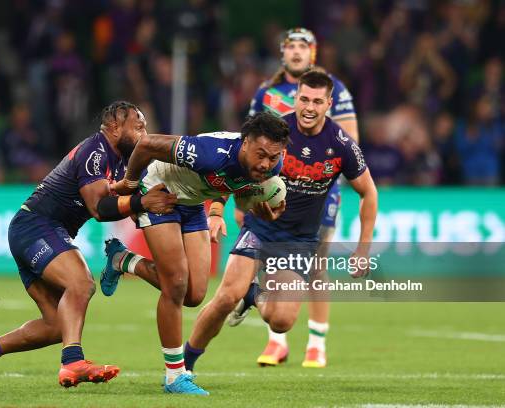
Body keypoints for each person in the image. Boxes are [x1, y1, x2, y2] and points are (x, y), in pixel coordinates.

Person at [0, 101, 177, 390]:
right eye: (138, 127)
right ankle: (72, 362)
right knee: (81, 283)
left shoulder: (119, 160)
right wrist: (140, 202)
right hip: (36, 226)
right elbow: (99, 208)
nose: (144, 134)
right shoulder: (95, 151)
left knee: (57, 324)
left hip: (37, 230)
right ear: (113, 127)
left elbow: (120, 195)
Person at [182, 70, 377, 375]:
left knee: (282, 320)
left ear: (329, 104)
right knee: (225, 297)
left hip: (298, 240)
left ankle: (254, 295)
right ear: (295, 97)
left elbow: (369, 193)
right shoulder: (276, 129)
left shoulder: (341, 144)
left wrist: (362, 249)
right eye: (303, 99)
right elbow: (233, 162)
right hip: (260, 227)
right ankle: (183, 366)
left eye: (317, 101)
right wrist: (218, 208)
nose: (309, 107)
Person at [101, 112, 290, 395]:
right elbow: (147, 145)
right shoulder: (209, 153)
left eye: (273, 157)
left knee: (195, 294)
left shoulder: (271, 168)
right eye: (261, 154)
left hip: (192, 204)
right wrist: (129, 185)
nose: (265, 163)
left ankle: (123, 260)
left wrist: (250, 209)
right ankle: (175, 376)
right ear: (246, 143)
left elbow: (233, 183)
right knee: (176, 285)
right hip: (159, 192)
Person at [244, 27, 361, 368]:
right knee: (271, 260)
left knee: (317, 263)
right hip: (274, 188)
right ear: (282, 53)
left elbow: (350, 138)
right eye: (290, 46)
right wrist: (243, 196)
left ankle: (317, 343)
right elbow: (248, 145)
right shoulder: (266, 93)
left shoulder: (333, 88)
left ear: (314, 52)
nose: (296, 52)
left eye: (303, 46)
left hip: (320, 189)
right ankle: (277, 341)